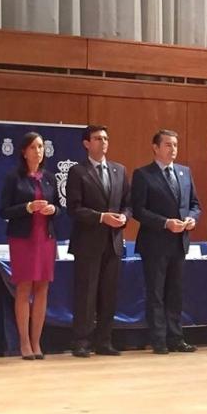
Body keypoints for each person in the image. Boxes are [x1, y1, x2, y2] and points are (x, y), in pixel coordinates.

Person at [132, 129, 201, 355]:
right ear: (156, 147)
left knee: (175, 294)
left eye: (175, 145)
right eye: (168, 145)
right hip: (155, 243)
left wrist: (192, 218)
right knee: (156, 294)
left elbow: (195, 204)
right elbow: (138, 210)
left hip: (179, 243)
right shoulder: (143, 174)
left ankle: (176, 338)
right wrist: (165, 223)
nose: (173, 149)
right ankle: (158, 339)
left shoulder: (184, 172)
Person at [66, 125, 132, 357]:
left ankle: (104, 340)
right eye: (97, 138)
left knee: (109, 294)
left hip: (113, 242)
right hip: (88, 242)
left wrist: (125, 216)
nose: (103, 142)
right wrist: (102, 217)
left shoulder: (119, 170)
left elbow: (128, 203)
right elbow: (73, 208)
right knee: (86, 294)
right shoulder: (77, 171)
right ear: (86, 143)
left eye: (105, 138)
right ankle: (82, 341)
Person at [0, 132, 59, 360]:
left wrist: (53, 210)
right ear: (24, 151)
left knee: (43, 288)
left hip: (46, 238)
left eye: (41, 146)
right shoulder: (14, 178)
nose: (38, 151)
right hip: (23, 239)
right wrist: (28, 207)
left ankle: (37, 342)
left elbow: (60, 208)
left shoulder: (50, 178)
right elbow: (3, 211)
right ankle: (24, 343)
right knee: (24, 288)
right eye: (33, 147)